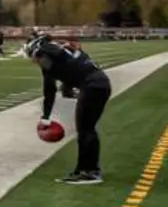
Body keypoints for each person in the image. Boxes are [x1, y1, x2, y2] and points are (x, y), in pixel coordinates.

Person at [25, 34, 112, 185]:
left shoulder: (55, 53)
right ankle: (83, 169)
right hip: (97, 85)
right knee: (85, 129)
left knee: (86, 129)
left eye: (36, 58)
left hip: (93, 86)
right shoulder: (58, 58)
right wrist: (45, 116)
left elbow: (57, 53)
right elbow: (49, 91)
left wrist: (43, 46)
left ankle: (90, 172)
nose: (36, 62)